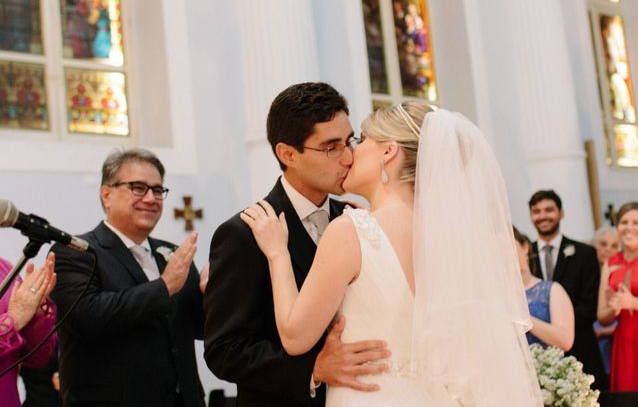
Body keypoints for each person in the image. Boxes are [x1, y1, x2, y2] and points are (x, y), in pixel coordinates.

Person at [242, 103, 542, 406]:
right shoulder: (451, 236)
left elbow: (295, 338)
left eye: (360, 141)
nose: (349, 154)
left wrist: (278, 253)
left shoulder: (351, 231)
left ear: (388, 152)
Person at [203, 82, 391, 407]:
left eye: (350, 142)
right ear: (288, 154)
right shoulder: (244, 232)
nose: (348, 158)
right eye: (331, 147)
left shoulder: (356, 219)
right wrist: (313, 369)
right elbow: (224, 351)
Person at [50, 148, 206, 407]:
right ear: (107, 194)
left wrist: (210, 294)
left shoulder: (174, 254)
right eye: (138, 187)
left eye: (158, 190)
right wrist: (164, 287)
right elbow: (86, 318)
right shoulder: (76, 252)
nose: (151, 198)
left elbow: (198, 328)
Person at [528, 190, 607, 390]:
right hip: (534, 355)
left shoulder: (585, 253)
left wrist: (558, 328)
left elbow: (589, 307)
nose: (543, 215)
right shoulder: (524, 256)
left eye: (549, 210)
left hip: (580, 350)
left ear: (561, 213)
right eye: (536, 211)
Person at [1, 253, 57, 407]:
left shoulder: (5, 269)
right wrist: (13, 319)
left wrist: (35, 315)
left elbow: (35, 358)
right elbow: (15, 319)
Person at [597, 202, 638, 391]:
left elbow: (631, 302)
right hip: (624, 345)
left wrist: (633, 303)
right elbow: (602, 317)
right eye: (624, 222)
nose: (629, 228)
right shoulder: (610, 264)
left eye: (636, 222)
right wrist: (615, 307)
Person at [513, 226, 574, 350]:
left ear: (525, 247)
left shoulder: (551, 290)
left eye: (508, 246)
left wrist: (524, 317)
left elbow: (565, 341)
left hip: (546, 367)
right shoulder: (496, 299)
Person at [592, 226, 619, 377]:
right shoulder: (587, 275)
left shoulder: (620, 277)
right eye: (603, 244)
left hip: (614, 340)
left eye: (614, 246)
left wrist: (603, 332)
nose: (608, 249)